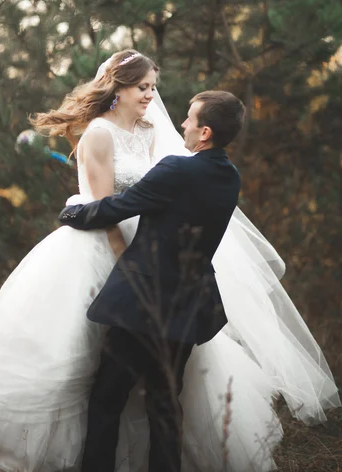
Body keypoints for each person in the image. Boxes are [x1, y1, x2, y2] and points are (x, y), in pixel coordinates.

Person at [0, 50, 339, 472]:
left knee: (123, 392)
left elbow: (137, 199)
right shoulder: (104, 135)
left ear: (204, 131)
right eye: (142, 86)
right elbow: (110, 204)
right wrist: (119, 256)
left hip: (145, 269)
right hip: (113, 256)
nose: (152, 96)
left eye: (153, 86)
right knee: (120, 380)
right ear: (118, 87)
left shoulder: (156, 140)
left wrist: (73, 213)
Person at [58, 87, 245, 472]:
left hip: (143, 302)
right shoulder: (230, 176)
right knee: (164, 403)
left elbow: (120, 206)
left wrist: (73, 212)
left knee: (108, 397)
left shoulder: (178, 169)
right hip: (190, 303)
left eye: (190, 118)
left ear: (205, 132)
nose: (182, 124)